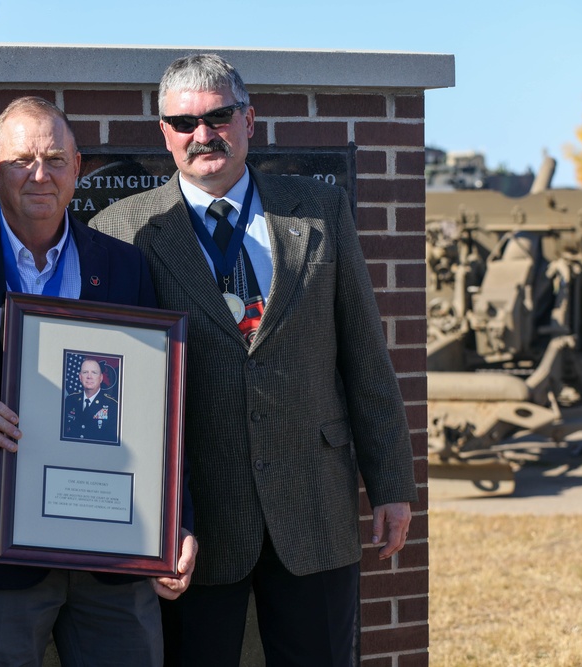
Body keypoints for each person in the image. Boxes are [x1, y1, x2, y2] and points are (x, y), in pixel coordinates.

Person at [92, 54, 418, 666]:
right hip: (196, 518)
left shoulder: (319, 212)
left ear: (249, 119)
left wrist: (392, 483)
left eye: (219, 116)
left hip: (315, 506)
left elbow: (365, 356)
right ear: (163, 132)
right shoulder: (120, 231)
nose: (203, 134)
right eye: (184, 122)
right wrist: (143, 524)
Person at [0, 96, 197, 667]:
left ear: (78, 167)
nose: (41, 175)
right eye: (23, 160)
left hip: (118, 552)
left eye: (56, 159)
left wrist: (175, 522)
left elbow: (158, 409)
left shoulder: (124, 266)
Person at [63, 358, 120, 442]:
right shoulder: (70, 400)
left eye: (94, 372)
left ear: (101, 378)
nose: (89, 376)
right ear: (80, 377)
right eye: (85, 372)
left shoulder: (112, 406)